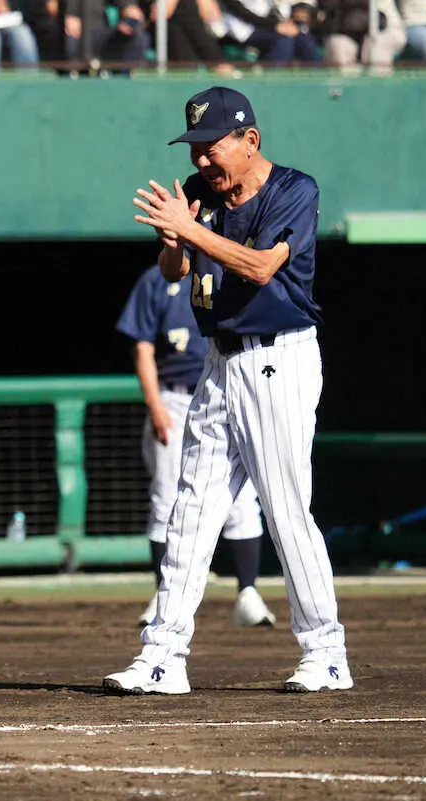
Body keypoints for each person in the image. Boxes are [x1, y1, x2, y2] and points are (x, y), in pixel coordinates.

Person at [105, 86, 350, 695]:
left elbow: (262, 267)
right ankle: (162, 656)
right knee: (191, 508)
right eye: (194, 149)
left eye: (211, 147)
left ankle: (326, 652)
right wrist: (173, 243)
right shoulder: (199, 192)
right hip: (218, 360)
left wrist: (190, 228)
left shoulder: (294, 189)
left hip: (278, 358)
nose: (201, 161)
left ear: (249, 140)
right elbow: (176, 272)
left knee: (286, 509)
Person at [117, 264, 276, 629]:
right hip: (175, 397)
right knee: (166, 496)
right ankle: (163, 594)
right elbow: (142, 346)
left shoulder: (231, 268)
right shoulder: (156, 279)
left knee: (241, 497)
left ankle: (248, 592)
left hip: (228, 390)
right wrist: (155, 405)